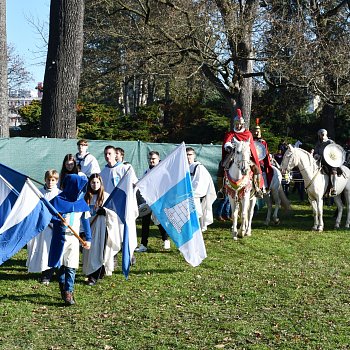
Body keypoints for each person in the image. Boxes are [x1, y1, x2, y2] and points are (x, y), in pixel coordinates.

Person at [48, 174, 92, 306]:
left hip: (74, 239)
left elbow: (85, 221)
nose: (81, 191)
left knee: (71, 265)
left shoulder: (81, 202)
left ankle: (69, 291)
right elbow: (48, 216)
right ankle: (63, 287)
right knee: (60, 265)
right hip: (60, 238)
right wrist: (59, 221)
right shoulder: (58, 200)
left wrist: (88, 238)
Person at [82, 174, 120, 285]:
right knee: (88, 252)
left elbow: (114, 214)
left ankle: (94, 276)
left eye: (97, 182)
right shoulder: (85, 197)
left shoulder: (106, 197)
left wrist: (105, 212)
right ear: (89, 183)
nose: (95, 185)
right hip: (89, 227)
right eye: (93, 182)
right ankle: (94, 272)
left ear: (101, 183)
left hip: (101, 229)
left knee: (98, 251)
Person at [218, 109, 264, 198]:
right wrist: (228, 146)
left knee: (256, 168)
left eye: (240, 124)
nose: (238, 126)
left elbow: (251, 145)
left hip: (245, 155)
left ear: (242, 124)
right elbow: (227, 142)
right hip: (233, 154)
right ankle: (221, 189)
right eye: (236, 124)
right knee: (222, 166)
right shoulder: (230, 133)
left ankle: (257, 188)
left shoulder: (248, 133)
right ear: (234, 124)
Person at [26, 169, 61, 284]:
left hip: (54, 226)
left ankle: (49, 273)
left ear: (56, 180)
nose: (50, 182)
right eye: (48, 179)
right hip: (42, 225)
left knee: (51, 249)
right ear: (45, 180)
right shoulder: (39, 193)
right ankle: (44, 270)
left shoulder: (59, 194)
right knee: (42, 249)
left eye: (53, 180)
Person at [135, 151, 170, 252]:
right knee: (145, 222)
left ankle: (165, 239)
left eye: (153, 158)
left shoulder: (163, 171)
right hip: (148, 201)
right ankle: (143, 244)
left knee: (159, 221)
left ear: (158, 159)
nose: (151, 160)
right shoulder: (146, 172)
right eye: (150, 159)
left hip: (159, 201)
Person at [186, 147, 216, 231]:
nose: (188, 157)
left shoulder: (199, 167)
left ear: (194, 155)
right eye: (186, 155)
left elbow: (200, 184)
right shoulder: (183, 167)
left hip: (194, 197)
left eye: (190, 154)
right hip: (185, 196)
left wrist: (190, 193)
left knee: (195, 215)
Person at [313, 129, 340, 196]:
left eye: (323, 134)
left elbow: (335, 152)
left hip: (331, 161)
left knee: (333, 171)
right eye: (320, 135)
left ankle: (334, 188)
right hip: (320, 161)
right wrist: (316, 155)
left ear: (325, 134)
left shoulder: (330, 142)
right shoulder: (318, 143)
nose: (321, 136)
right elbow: (315, 152)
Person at [253, 125, 273, 192]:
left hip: (260, 160)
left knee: (262, 170)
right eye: (255, 131)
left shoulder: (263, 142)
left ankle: (264, 187)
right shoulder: (250, 140)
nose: (256, 133)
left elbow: (265, 152)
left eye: (257, 131)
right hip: (251, 159)